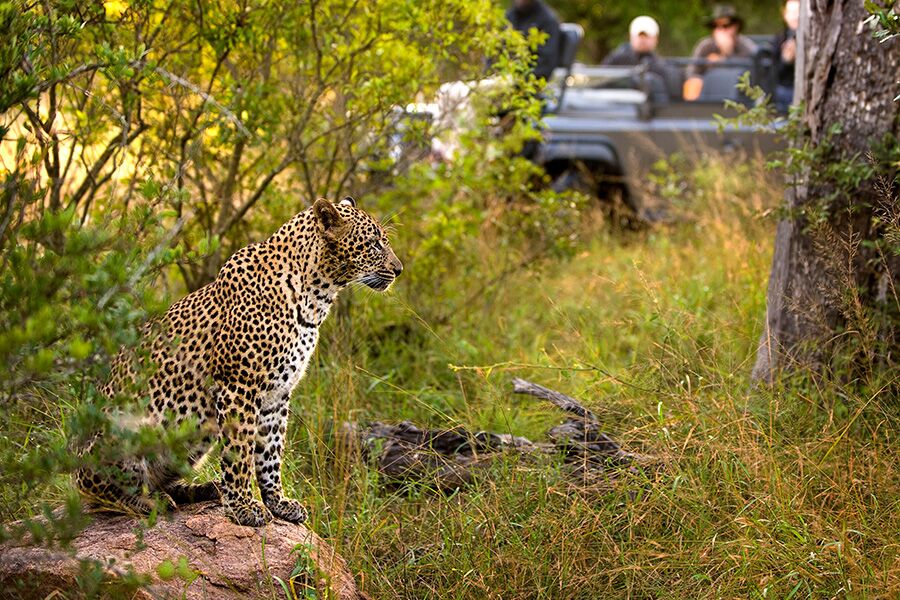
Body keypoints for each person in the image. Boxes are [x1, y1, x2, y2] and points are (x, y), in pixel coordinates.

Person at [683, 5, 758, 101]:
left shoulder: (746, 46)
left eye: (726, 26)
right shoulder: (705, 46)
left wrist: (725, 57)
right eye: (716, 26)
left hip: (737, 97)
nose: (721, 30)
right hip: (708, 95)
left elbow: (754, 75)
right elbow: (691, 72)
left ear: (736, 26)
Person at [602, 16, 670, 102]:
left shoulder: (659, 66)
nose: (642, 40)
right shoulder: (616, 59)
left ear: (656, 39)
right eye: (639, 36)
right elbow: (601, 82)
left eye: (647, 36)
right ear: (631, 37)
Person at [506, 0, 561, 82]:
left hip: (529, 82)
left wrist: (516, 80)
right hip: (505, 77)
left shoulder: (548, 21)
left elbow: (545, 65)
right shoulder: (510, 15)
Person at [774, 0, 800, 113]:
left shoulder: (813, 38)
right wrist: (785, 61)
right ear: (785, 14)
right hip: (785, 89)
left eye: (797, 11)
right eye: (791, 12)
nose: (795, 16)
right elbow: (774, 74)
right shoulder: (779, 39)